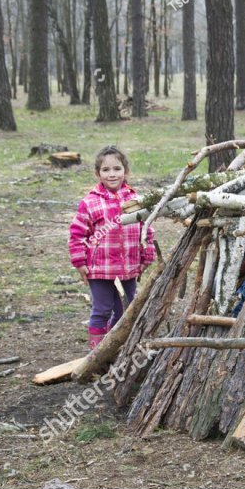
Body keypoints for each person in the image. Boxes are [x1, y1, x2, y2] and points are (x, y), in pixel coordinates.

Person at [69, 146, 155, 349]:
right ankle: (96, 354)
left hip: (128, 269)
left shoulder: (136, 201)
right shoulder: (90, 203)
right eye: (106, 170)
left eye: (117, 168)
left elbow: (146, 229)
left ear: (126, 171)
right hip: (100, 270)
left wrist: (146, 256)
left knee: (126, 310)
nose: (112, 174)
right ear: (98, 173)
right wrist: (79, 262)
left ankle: (115, 348)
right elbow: (77, 234)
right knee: (102, 310)